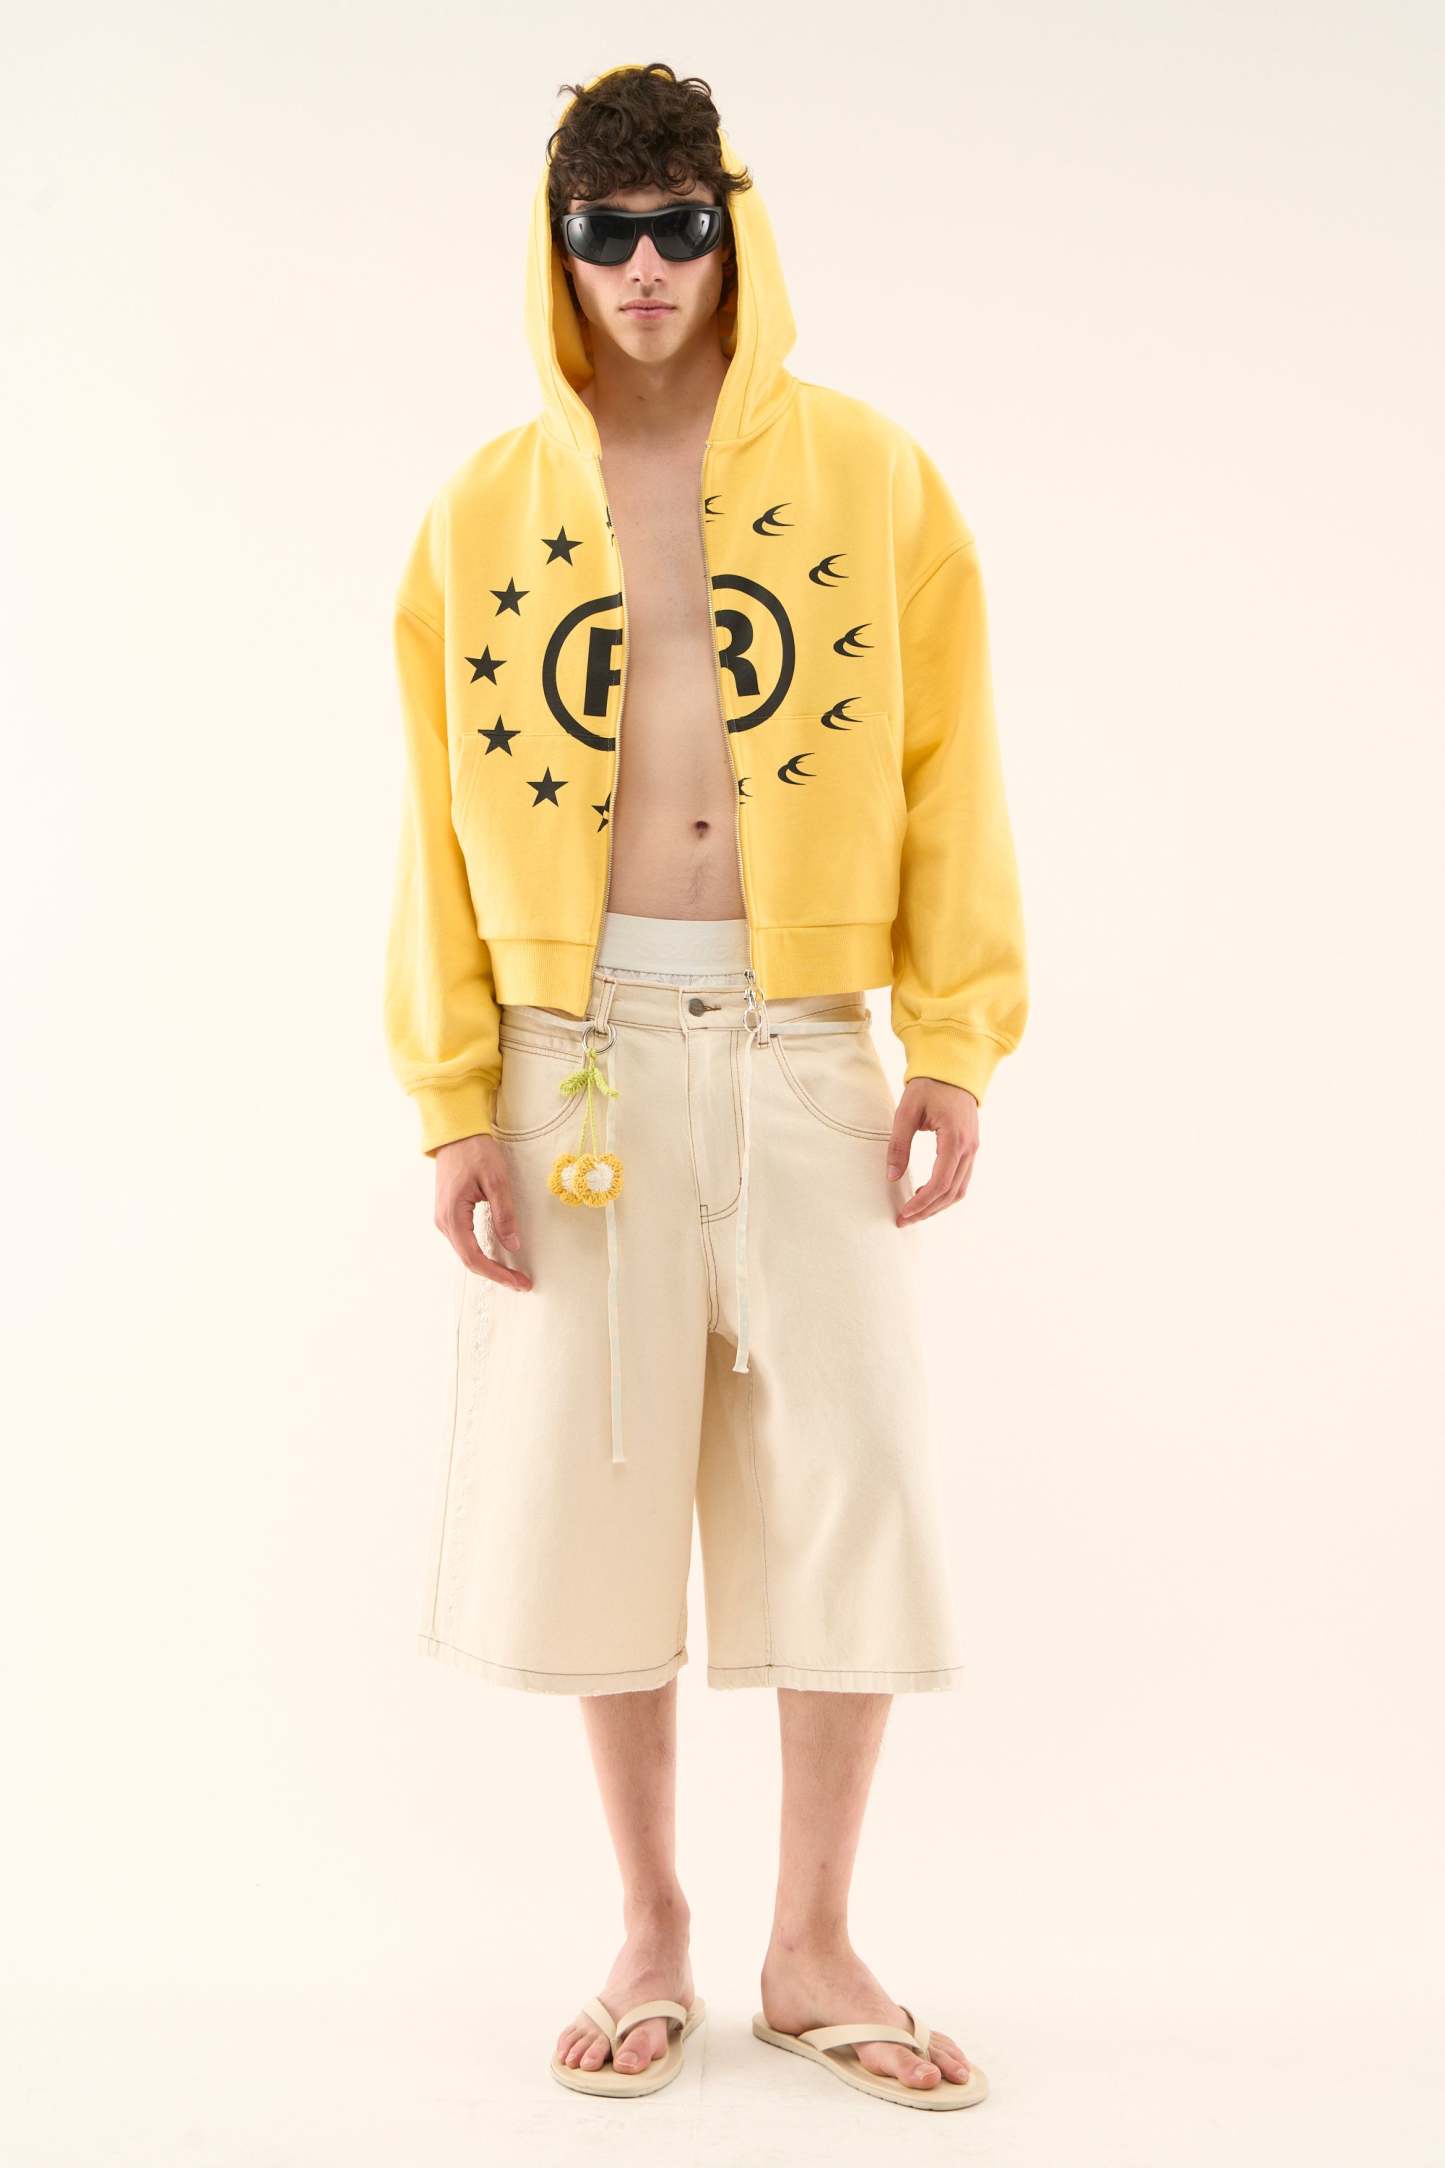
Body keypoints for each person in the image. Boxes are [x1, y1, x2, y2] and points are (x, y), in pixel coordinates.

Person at [382, 61, 1027, 2112]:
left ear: (733, 231)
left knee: (853, 1478)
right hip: (574, 1059)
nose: (647, 269)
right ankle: (650, 1923)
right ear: (555, 247)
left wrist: (954, 1033)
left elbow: (951, 766)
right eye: (608, 232)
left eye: (681, 226)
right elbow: (428, 821)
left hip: (806, 1043)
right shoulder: (484, 509)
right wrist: (452, 1093)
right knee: (600, 1489)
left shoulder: (873, 478)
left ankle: (813, 1939)